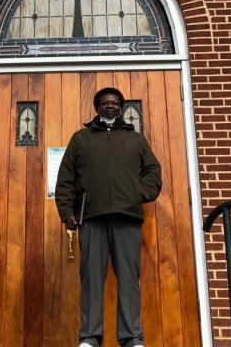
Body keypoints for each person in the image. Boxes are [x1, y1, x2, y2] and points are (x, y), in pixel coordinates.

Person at [55, 86, 162, 347]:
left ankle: (131, 338)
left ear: (121, 108)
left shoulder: (136, 140)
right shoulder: (81, 139)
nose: (110, 106)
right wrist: (67, 212)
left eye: (115, 102)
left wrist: (138, 193)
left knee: (128, 279)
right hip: (91, 218)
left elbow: (153, 172)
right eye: (105, 103)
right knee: (91, 280)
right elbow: (65, 180)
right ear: (97, 107)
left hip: (127, 218)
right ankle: (89, 338)